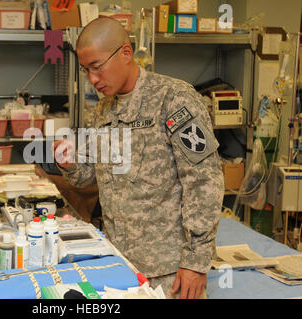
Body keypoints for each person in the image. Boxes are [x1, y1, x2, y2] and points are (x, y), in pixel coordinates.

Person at [53, 17, 224, 299]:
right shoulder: (103, 111)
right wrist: (70, 163)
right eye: (86, 71)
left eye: (97, 67)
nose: (93, 79)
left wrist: (195, 261)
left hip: (170, 272)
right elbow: (97, 177)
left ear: (126, 53)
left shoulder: (174, 99)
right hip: (120, 263)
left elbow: (204, 181)